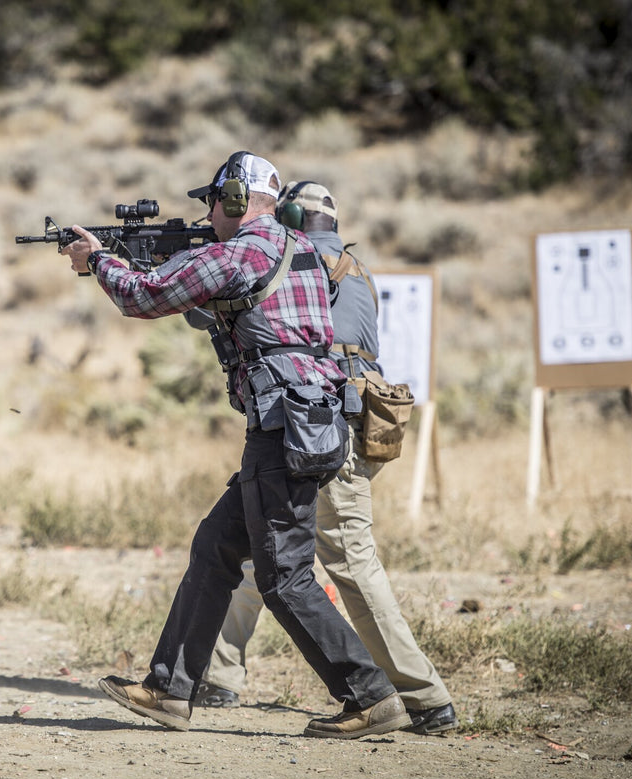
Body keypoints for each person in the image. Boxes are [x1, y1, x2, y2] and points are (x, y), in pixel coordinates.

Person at [59, 151, 412, 740]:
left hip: (283, 428)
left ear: (233, 201)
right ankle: (170, 689)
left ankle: (370, 696)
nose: (209, 214)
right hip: (306, 422)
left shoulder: (242, 251)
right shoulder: (298, 249)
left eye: (214, 202)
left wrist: (98, 259)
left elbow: (142, 299)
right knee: (217, 547)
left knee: (286, 577)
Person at [190, 181, 458, 735]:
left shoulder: (300, 262)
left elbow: (204, 309)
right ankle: (217, 673)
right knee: (257, 542)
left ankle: (421, 695)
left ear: (287, 216)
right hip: (342, 423)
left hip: (318, 427)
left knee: (349, 561)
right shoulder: (354, 268)